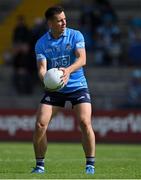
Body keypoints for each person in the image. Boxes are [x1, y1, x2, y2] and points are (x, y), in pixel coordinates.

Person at [32, 5, 96, 175]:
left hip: (77, 85)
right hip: (55, 88)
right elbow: (41, 69)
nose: (64, 22)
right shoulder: (41, 43)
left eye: (65, 19)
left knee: (84, 122)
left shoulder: (75, 35)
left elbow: (82, 59)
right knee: (40, 125)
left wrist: (67, 71)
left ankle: (90, 165)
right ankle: (39, 166)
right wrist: (46, 80)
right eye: (59, 20)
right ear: (50, 23)